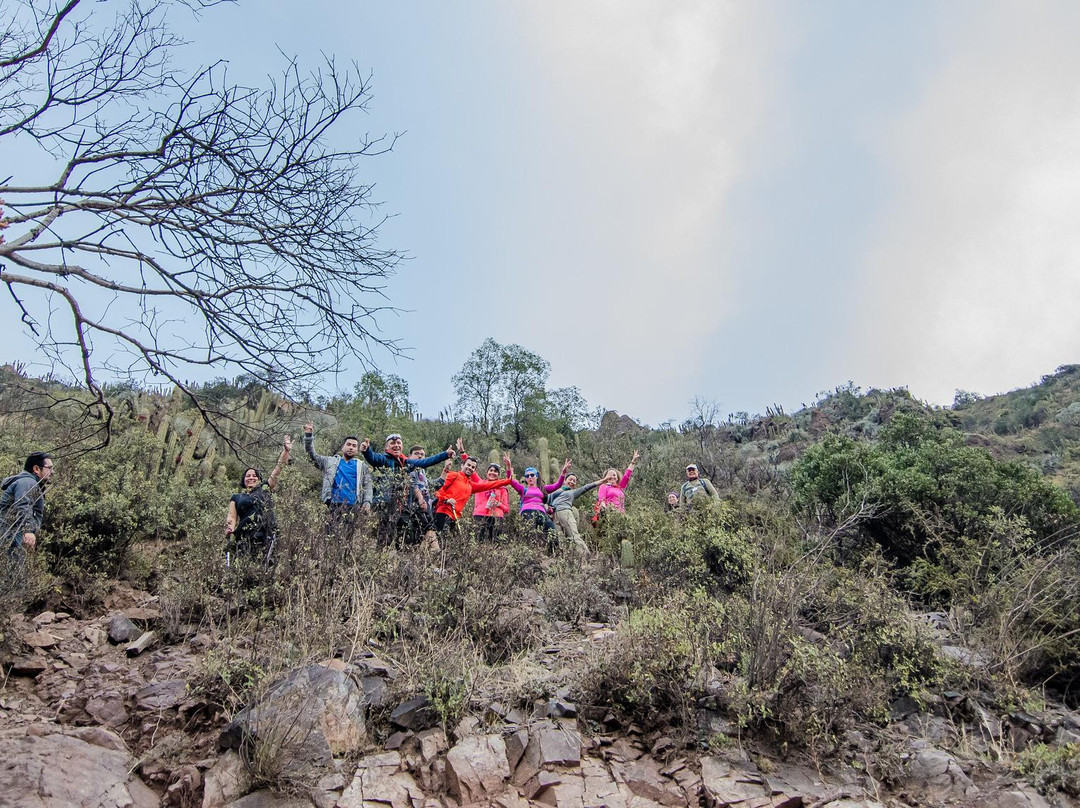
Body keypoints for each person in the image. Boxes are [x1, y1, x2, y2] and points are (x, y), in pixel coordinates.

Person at [361, 433, 453, 546]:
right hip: (384, 505)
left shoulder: (406, 463)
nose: (396, 445)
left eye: (398, 443)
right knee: (384, 538)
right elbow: (373, 458)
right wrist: (366, 451)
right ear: (387, 447)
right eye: (393, 443)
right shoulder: (383, 459)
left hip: (401, 507)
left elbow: (425, 462)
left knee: (403, 538)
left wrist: (445, 455)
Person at [225, 436, 290, 566]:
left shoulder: (265, 488)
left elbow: (278, 469)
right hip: (244, 535)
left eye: (254, 475)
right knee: (243, 565)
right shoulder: (236, 497)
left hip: (266, 533)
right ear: (243, 480)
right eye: (248, 476)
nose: (251, 478)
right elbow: (232, 516)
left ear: (259, 479)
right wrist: (230, 527)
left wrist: (286, 451)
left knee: (266, 564)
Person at [303, 422, 373, 534]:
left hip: (352, 506)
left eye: (354, 446)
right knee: (329, 538)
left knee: (347, 540)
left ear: (357, 451)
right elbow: (311, 456)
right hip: (332, 505)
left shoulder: (361, 466)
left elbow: (368, 485)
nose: (351, 447)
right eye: (348, 444)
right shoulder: (330, 461)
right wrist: (308, 436)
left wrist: (367, 502)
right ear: (342, 447)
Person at [433, 454, 514, 534]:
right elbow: (438, 490)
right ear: (462, 465)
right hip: (442, 513)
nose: (470, 468)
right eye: (468, 465)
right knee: (438, 540)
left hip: (455, 517)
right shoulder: (454, 475)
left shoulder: (470, 485)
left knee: (447, 543)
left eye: (472, 467)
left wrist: (509, 480)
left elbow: (489, 485)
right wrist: (446, 500)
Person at [1, 452, 54, 556]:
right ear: (36, 469)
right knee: (13, 570)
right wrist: (28, 530)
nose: (52, 472)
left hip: (11, 534)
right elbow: (22, 505)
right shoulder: (27, 482)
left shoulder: (28, 482)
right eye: (50, 468)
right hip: (11, 535)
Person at [509, 458, 571, 538]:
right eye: (527, 476)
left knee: (552, 534)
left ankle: (552, 550)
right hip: (527, 512)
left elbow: (557, 485)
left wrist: (563, 473)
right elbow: (511, 481)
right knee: (529, 534)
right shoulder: (523, 490)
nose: (530, 477)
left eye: (532, 475)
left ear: (537, 476)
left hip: (541, 513)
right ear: (526, 478)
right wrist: (508, 468)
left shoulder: (543, 489)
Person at [547, 472, 602, 554]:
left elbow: (586, 487)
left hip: (566, 513)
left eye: (574, 481)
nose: (572, 482)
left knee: (574, 536)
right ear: (565, 480)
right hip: (554, 516)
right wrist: (548, 509)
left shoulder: (573, 492)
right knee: (560, 539)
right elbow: (546, 501)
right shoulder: (555, 491)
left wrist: (603, 480)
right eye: (570, 479)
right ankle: (564, 559)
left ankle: (586, 556)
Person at [471, 462, 510, 542]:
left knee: (496, 543)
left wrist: (499, 504)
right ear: (487, 472)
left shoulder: (502, 488)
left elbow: (506, 509)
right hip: (480, 516)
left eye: (495, 471)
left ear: (498, 475)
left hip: (497, 518)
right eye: (490, 470)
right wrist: (462, 452)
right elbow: (471, 468)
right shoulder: (480, 483)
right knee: (479, 541)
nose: (492, 473)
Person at [594, 450, 640, 516]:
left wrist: (633, 462)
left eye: (614, 475)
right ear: (605, 478)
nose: (612, 477)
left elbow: (627, 475)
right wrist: (605, 512)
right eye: (609, 475)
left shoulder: (620, 487)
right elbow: (602, 500)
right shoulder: (603, 486)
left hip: (621, 516)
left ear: (617, 478)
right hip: (609, 515)